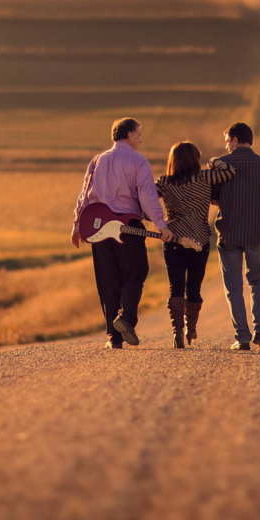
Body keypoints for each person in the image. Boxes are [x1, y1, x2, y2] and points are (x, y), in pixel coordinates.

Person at [72, 117, 173, 349]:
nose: (141, 139)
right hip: (128, 227)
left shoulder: (97, 160)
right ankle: (126, 318)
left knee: (108, 280)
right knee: (136, 273)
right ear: (129, 135)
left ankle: (113, 338)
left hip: (99, 229)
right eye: (139, 134)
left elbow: (84, 196)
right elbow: (147, 197)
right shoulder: (138, 160)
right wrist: (161, 225)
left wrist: (77, 227)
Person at [211, 122, 260, 351]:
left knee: (233, 286)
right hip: (256, 233)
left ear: (233, 140)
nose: (226, 145)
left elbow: (213, 199)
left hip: (229, 233)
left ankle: (242, 337)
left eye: (227, 141)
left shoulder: (221, 165)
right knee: (258, 281)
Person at [156, 142, 236, 348]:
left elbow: (146, 200)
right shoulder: (205, 177)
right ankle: (191, 328)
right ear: (195, 159)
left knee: (176, 286)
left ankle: (177, 333)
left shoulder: (164, 182)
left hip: (173, 239)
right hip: (199, 239)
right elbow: (230, 171)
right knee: (194, 286)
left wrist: (160, 221)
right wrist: (213, 161)